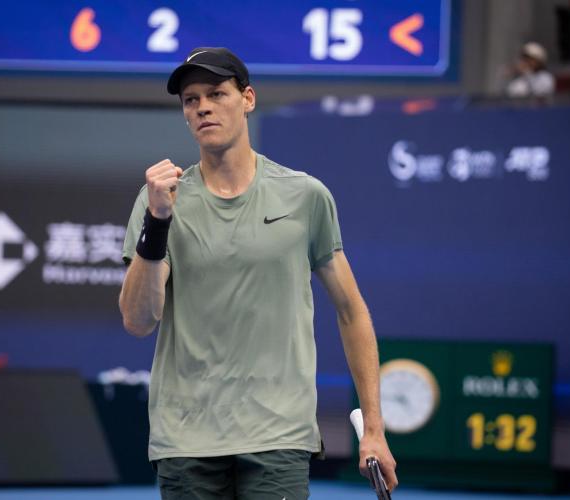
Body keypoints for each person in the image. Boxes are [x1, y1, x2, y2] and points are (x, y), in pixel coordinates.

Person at [119, 47, 397, 499]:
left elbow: (351, 312)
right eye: (191, 100)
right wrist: (158, 222)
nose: (203, 107)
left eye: (216, 93)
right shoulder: (158, 201)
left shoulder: (305, 196)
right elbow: (137, 320)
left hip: (278, 436)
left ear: (247, 99)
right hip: (186, 438)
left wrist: (374, 429)